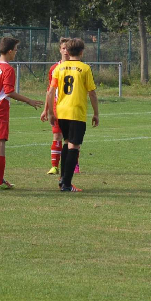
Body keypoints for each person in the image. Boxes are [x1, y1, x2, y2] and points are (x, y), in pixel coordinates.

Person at [0, 37, 44, 190]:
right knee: (0, 144)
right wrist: (29, 100)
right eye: (15, 50)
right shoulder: (8, 69)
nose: (16, 52)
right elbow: (9, 92)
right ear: (9, 51)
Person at [45, 38, 99, 192]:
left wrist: (50, 112)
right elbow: (92, 93)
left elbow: (50, 91)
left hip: (61, 111)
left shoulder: (59, 68)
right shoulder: (85, 68)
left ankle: (63, 180)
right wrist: (96, 113)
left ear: (67, 51)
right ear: (82, 52)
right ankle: (67, 184)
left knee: (67, 143)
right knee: (74, 146)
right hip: (76, 111)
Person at [41, 37, 69, 174]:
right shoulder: (54, 68)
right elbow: (50, 90)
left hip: (72, 107)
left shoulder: (78, 67)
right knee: (57, 136)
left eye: (68, 48)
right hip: (57, 107)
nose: (66, 51)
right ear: (60, 50)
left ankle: (72, 165)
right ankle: (54, 166)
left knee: (70, 138)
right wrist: (46, 109)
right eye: (64, 48)